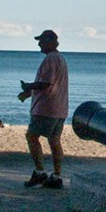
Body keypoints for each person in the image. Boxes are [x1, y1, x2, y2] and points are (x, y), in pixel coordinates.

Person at [18, 30, 69, 189]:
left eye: (41, 41)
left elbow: (46, 83)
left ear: (51, 42)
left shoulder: (50, 59)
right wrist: (29, 93)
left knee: (32, 137)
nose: (39, 44)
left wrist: (29, 86)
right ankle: (57, 175)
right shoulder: (60, 59)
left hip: (46, 108)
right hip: (59, 108)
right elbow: (52, 84)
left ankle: (40, 172)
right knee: (54, 141)